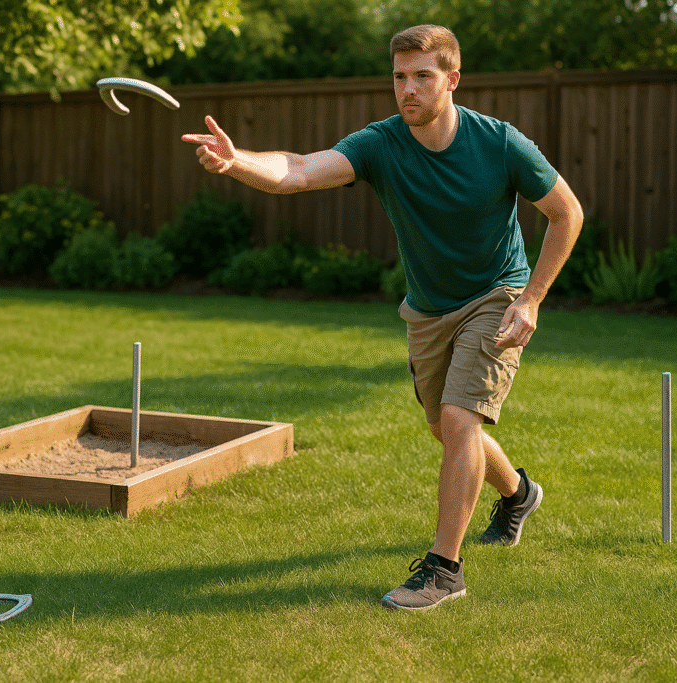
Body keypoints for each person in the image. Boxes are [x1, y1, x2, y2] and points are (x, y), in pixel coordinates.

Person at [181, 24, 584, 611]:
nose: (409, 89)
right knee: (446, 430)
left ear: (452, 79)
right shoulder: (380, 144)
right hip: (427, 309)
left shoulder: (499, 144)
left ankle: (444, 570)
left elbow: (565, 213)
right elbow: (297, 169)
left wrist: (531, 299)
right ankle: (519, 493)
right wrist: (236, 160)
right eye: (399, 77)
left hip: (497, 294)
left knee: (460, 418)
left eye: (423, 76)